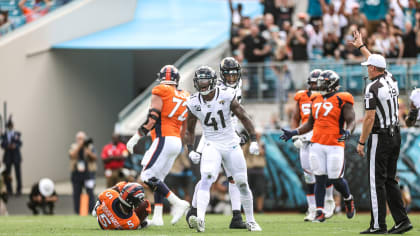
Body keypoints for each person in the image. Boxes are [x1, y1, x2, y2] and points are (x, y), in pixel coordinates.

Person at [184, 66, 262, 232]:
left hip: (231, 143)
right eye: (199, 81)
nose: (202, 84)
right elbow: (189, 129)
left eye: (205, 81)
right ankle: (201, 220)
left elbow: (243, 116)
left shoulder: (226, 94)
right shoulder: (193, 101)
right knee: (207, 178)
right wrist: (190, 149)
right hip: (211, 143)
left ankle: (251, 220)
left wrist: (254, 139)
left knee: (241, 182)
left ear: (212, 81)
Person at [350, 30, 413, 234]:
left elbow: (369, 118)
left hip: (381, 136)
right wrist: (362, 47)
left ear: (375, 69)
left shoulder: (373, 88)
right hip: (396, 135)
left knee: (376, 181)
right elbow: (376, 62)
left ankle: (378, 225)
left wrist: (361, 142)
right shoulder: (390, 78)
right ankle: (402, 220)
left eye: (369, 67)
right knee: (389, 180)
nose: (367, 69)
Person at [280, 70, 356, 223]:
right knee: (319, 178)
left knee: (335, 178)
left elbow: (351, 120)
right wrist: (294, 132)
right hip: (317, 143)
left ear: (333, 84)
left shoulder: (342, 99)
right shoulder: (315, 99)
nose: (320, 85)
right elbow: (309, 123)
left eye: (323, 82)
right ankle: (319, 211)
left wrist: (349, 131)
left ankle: (348, 198)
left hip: (334, 144)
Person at [126, 65, 190, 226]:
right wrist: (180, 145)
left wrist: (136, 137)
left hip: (164, 138)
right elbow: (184, 127)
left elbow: (152, 119)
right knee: (158, 179)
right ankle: (158, 217)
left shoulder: (160, 90)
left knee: (147, 175)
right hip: (175, 140)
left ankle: (178, 203)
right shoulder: (185, 95)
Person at [290, 69, 335, 221]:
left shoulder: (327, 98)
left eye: (319, 83)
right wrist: (295, 135)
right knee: (308, 176)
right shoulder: (301, 96)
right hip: (305, 140)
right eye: (314, 83)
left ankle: (328, 202)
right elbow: (295, 117)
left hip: (320, 138)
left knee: (323, 173)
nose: (317, 86)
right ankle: (312, 209)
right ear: (309, 84)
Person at [69, 131, 97, 214]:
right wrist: (79, 146)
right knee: (76, 193)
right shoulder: (73, 146)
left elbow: (95, 158)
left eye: (82, 139)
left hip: (88, 173)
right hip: (76, 173)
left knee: (90, 192)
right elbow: (72, 155)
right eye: (79, 138)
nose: (80, 140)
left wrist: (87, 150)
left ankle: (91, 211)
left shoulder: (90, 147)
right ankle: (77, 212)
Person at [1, 119, 22, 195]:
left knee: (18, 174)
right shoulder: (4, 135)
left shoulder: (17, 134)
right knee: (8, 174)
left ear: (13, 126)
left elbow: (20, 143)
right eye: (9, 125)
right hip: (8, 157)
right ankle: (9, 190)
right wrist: (8, 146)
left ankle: (18, 190)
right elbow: (2, 145)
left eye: (11, 125)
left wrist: (15, 146)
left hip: (16, 156)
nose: (10, 127)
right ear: (7, 126)